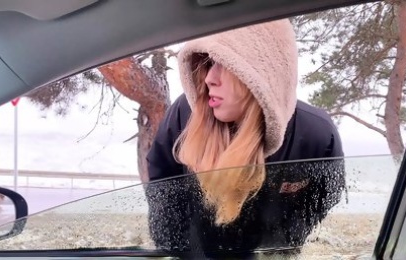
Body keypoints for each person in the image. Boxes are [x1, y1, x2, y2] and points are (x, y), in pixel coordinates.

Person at [145, 18, 345, 259]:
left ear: (263, 71)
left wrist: (283, 246)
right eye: (208, 62)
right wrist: (180, 252)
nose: (209, 78)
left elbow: (325, 196)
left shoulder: (317, 134)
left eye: (225, 63)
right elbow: (161, 181)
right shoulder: (185, 114)